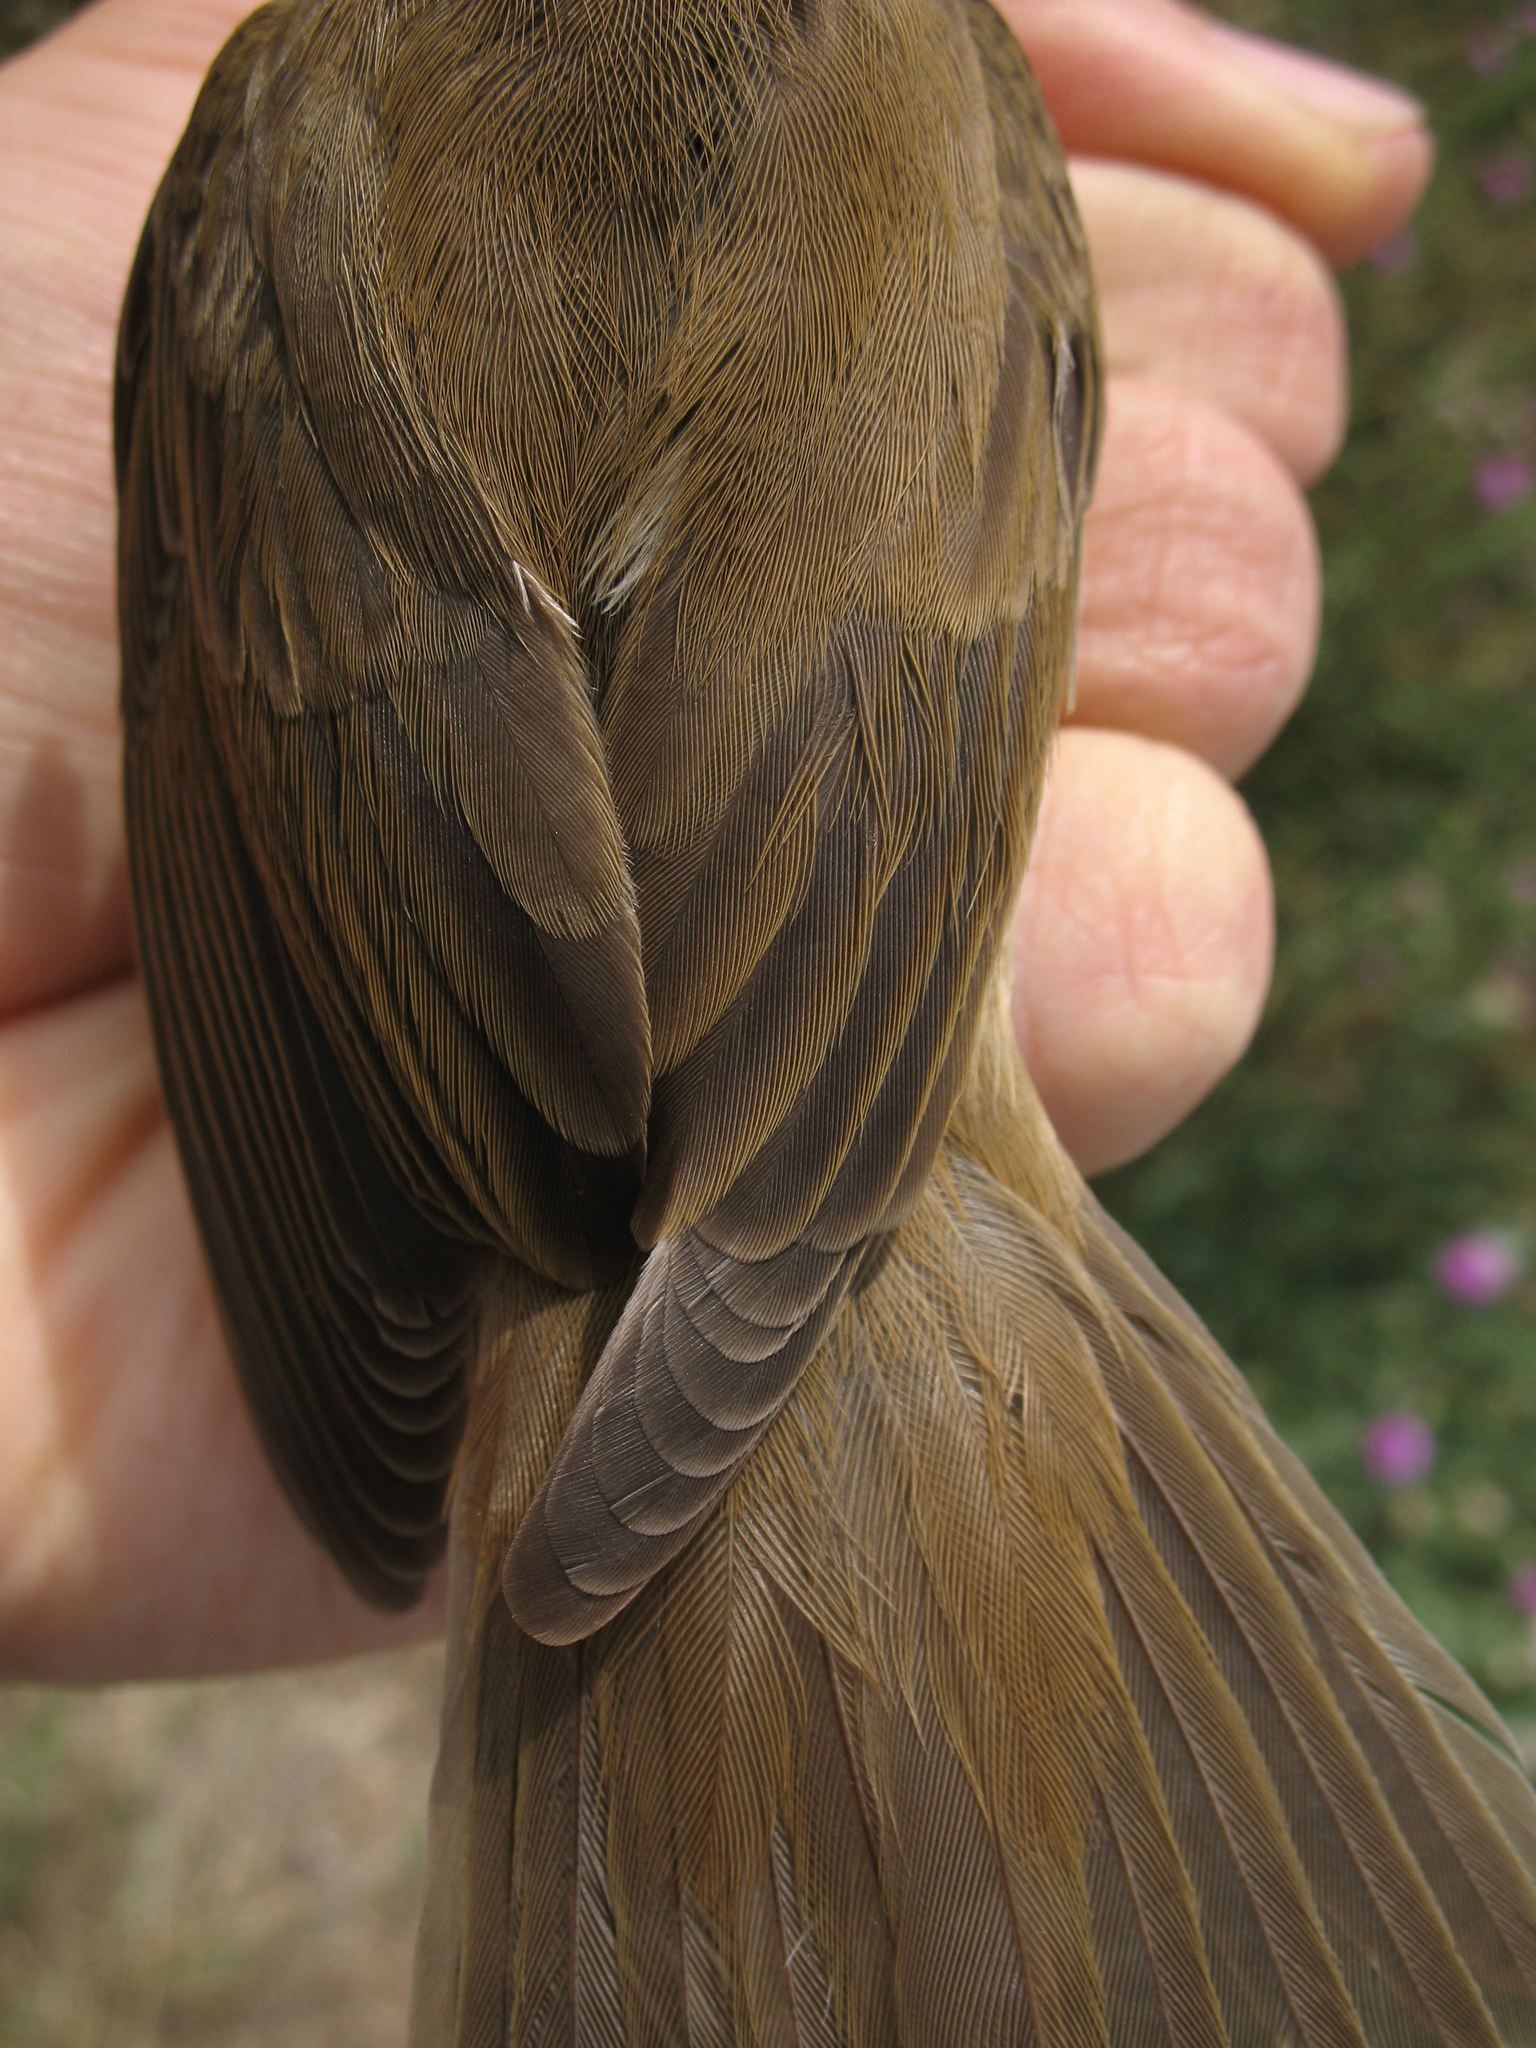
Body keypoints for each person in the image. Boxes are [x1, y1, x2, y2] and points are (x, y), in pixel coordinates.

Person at [0, 0, 1430, 1680]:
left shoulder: (280, 111)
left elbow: (204, 708)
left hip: (449, 1112)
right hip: (829, 1113)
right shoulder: (950, 76)